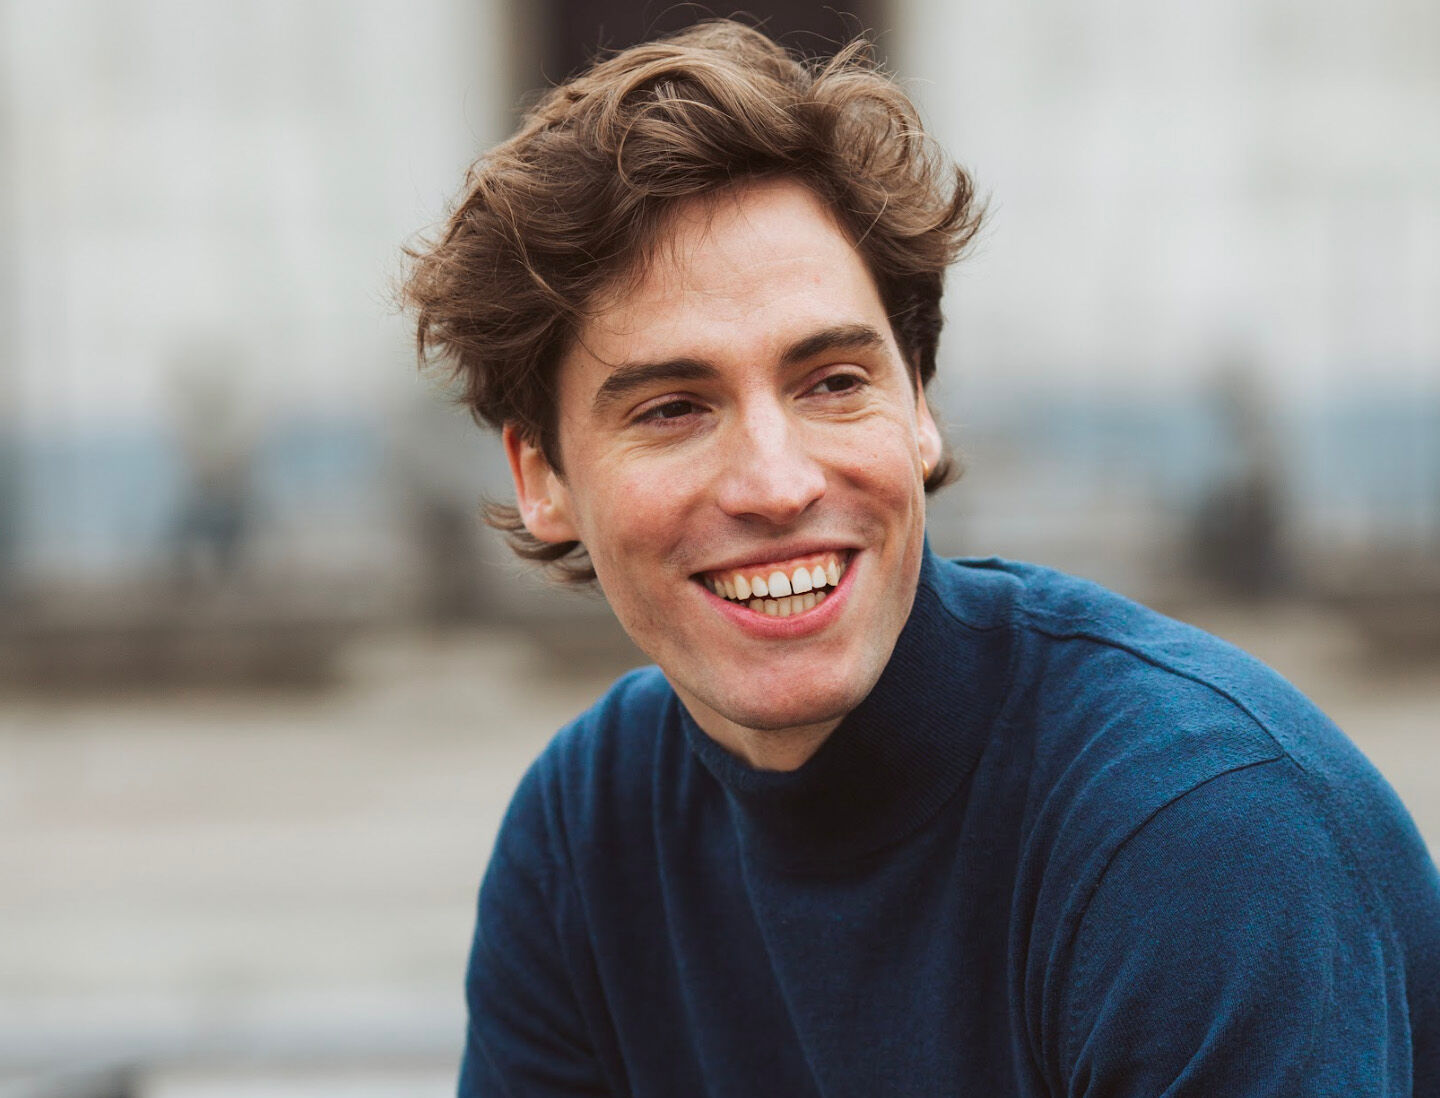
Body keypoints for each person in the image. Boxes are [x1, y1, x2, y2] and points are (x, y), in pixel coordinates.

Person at [403, 20, 1440, 1096]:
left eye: (833, 383)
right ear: (542, 477)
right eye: (672, 408)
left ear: (921, 408)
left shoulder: (1200, 829)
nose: (777, 483)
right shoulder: (587, 833)